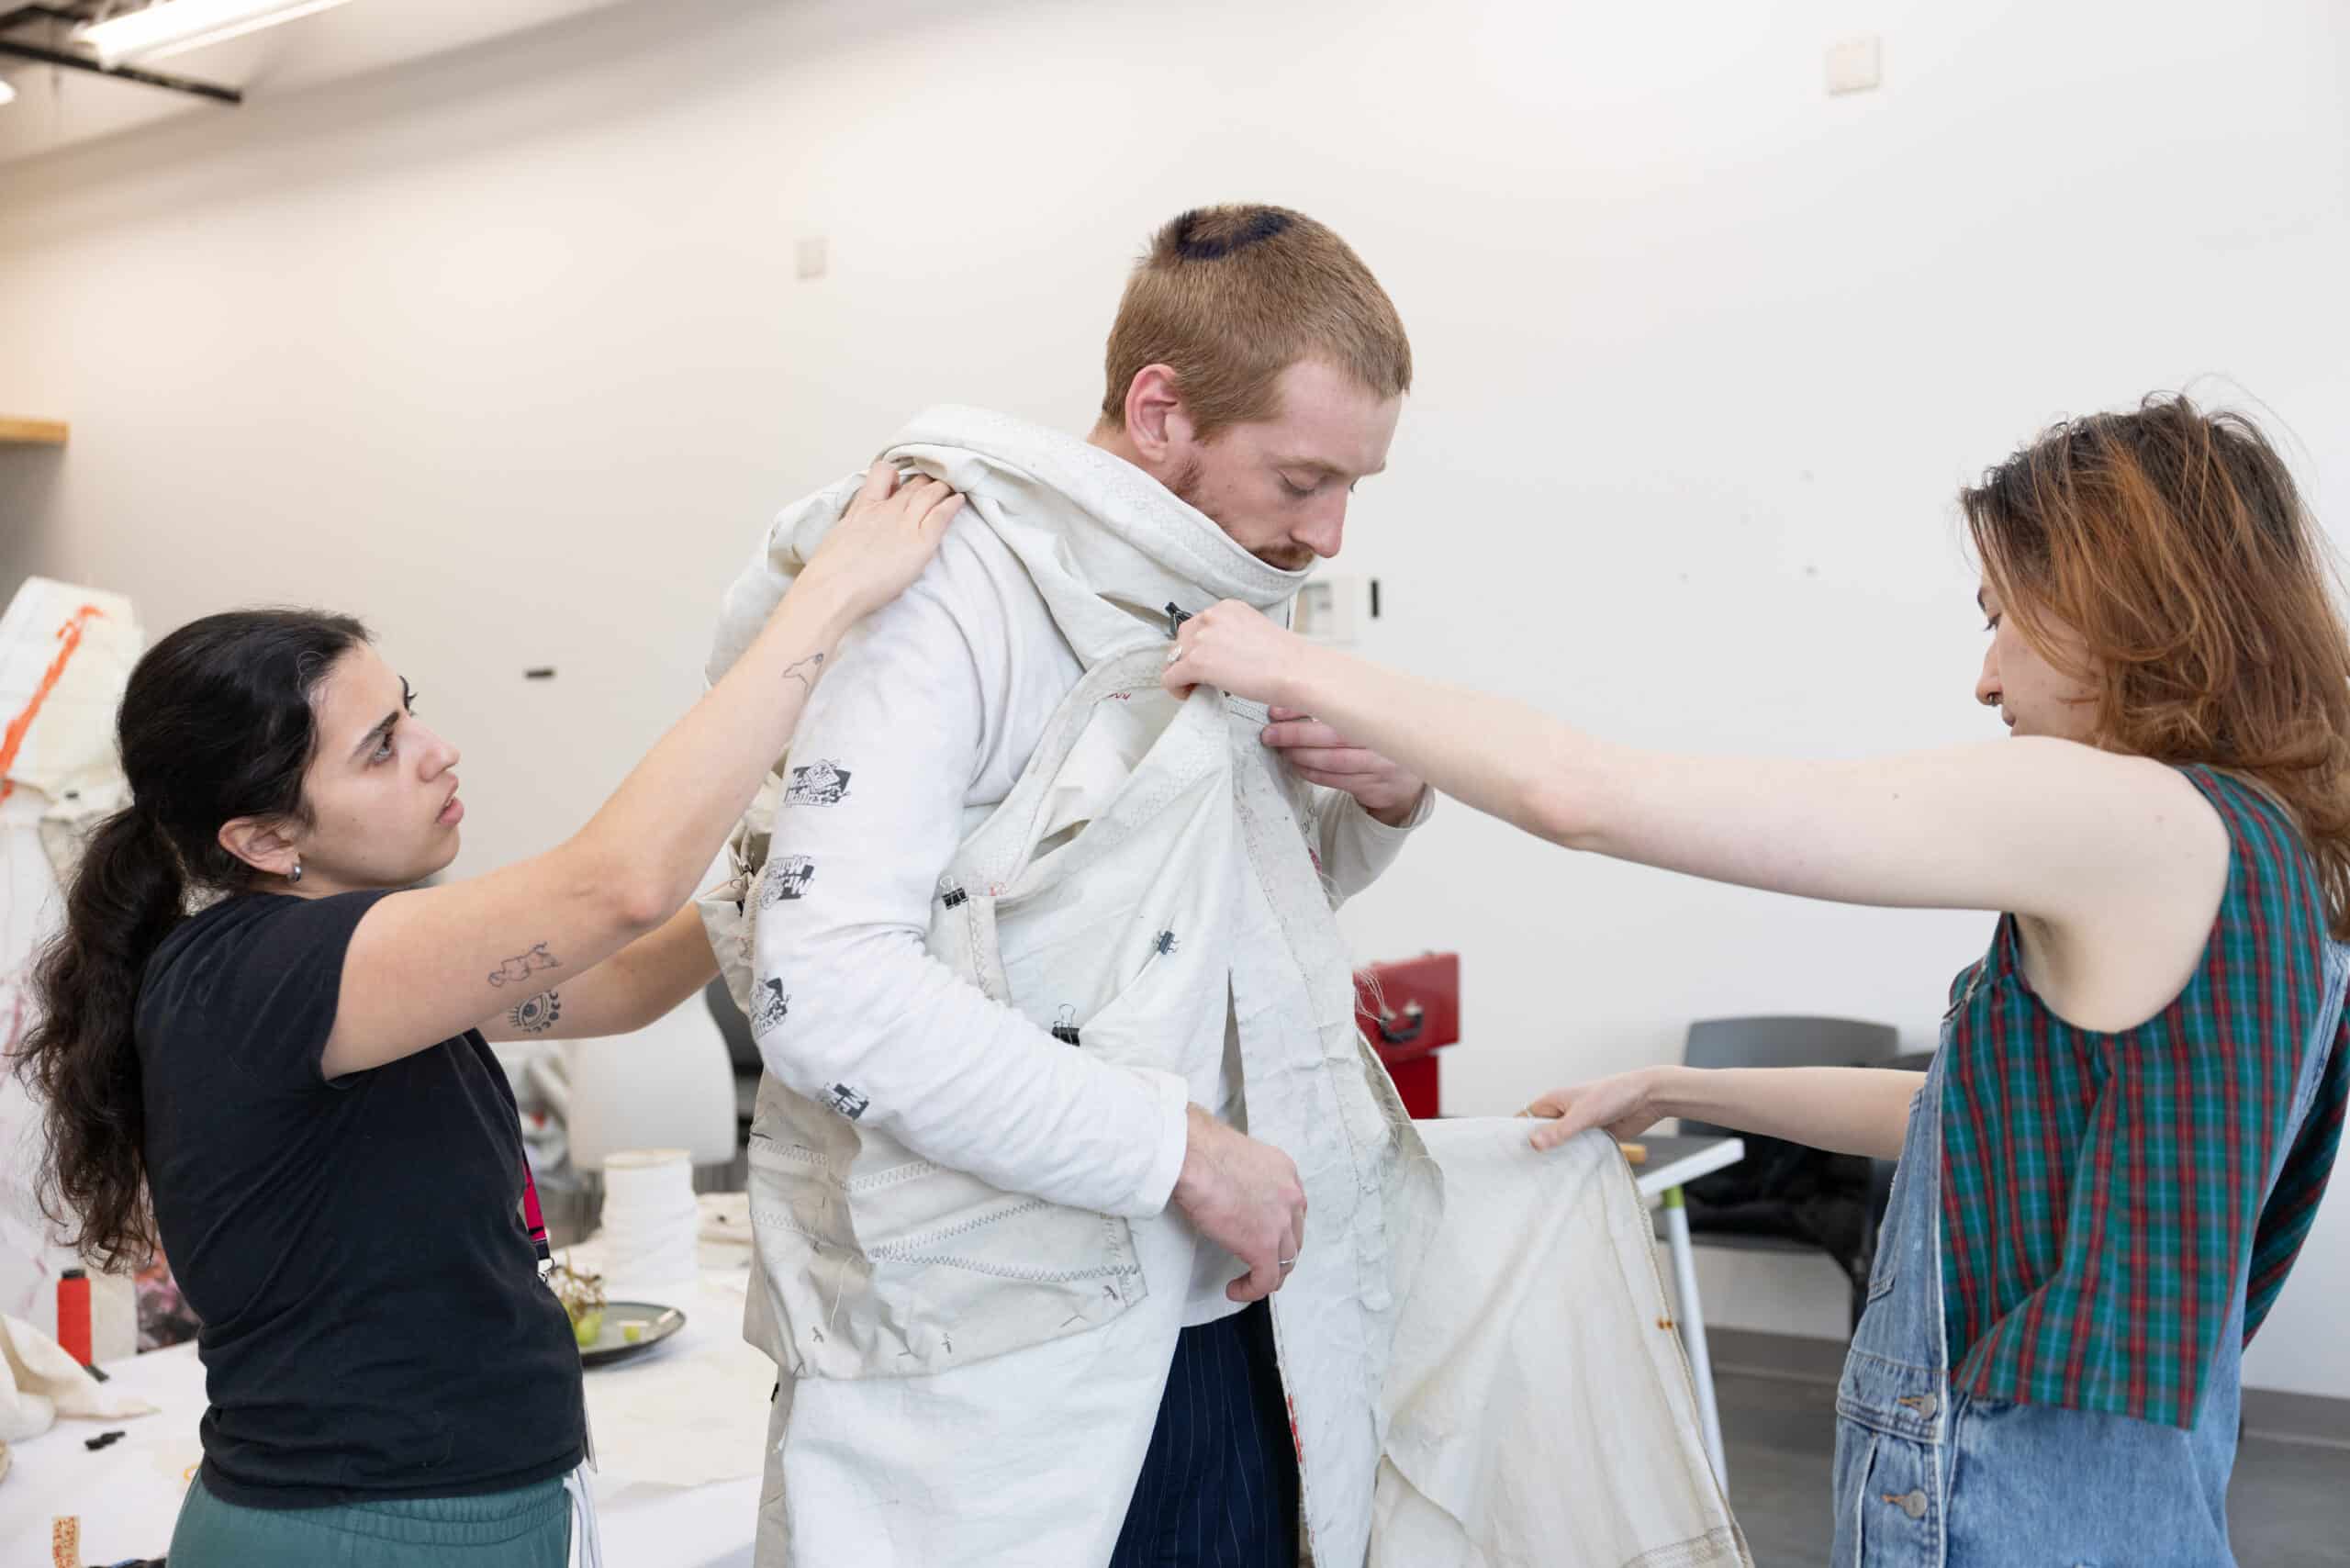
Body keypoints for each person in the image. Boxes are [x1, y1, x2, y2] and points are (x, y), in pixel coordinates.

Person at [1159, 393, 2349, 1566]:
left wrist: (1289, 660)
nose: (1988, 680)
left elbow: (1585, 794)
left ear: (2113, 606)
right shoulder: (2282, 860)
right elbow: (1972, 1120)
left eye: (2004, 619)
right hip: (2137, 1498)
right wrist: (1672, 1085)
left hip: (2012, 1499)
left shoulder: (2129, 817)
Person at [13, 466, 961, 1567]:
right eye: (380, 748)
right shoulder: (269, 970)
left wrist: (786, 870)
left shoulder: (350, 959)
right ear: (263, 839)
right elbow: (616, 887)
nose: (436, 750)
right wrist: (828, 599)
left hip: (449, 1505)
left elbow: (625, 978)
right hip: (366, 1531)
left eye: (407, 709)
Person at [706, 205, 1433, 1567]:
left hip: (1213, 1308)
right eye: (1299, 480)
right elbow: (827, 989)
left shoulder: (1189, 593)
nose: (1328, 533)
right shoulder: (953, 587)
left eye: (1354, 487)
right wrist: (1181, 1150)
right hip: (999, 1347)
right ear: (1161, 410)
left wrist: (1382, 800)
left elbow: (1202, 927)